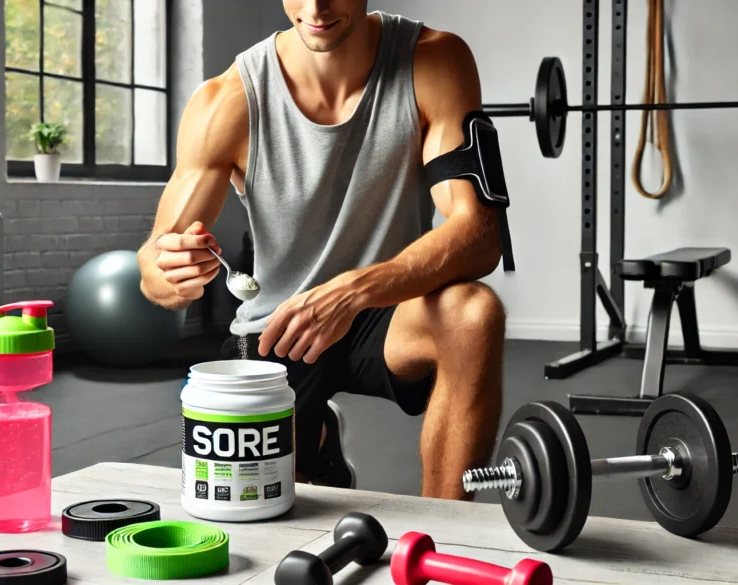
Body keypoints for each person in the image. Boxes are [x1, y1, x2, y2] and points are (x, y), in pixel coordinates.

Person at [138, 0, 504, 500]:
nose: (316, 7)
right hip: (279, 323)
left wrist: (352, 291)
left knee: (474, 314)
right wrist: (169, 272)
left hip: (386, 307)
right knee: (257, 507)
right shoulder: (227, 99)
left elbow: (480, 233)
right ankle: (317, 443)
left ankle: (444, 535)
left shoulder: (433, 60)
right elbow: (154, 261)